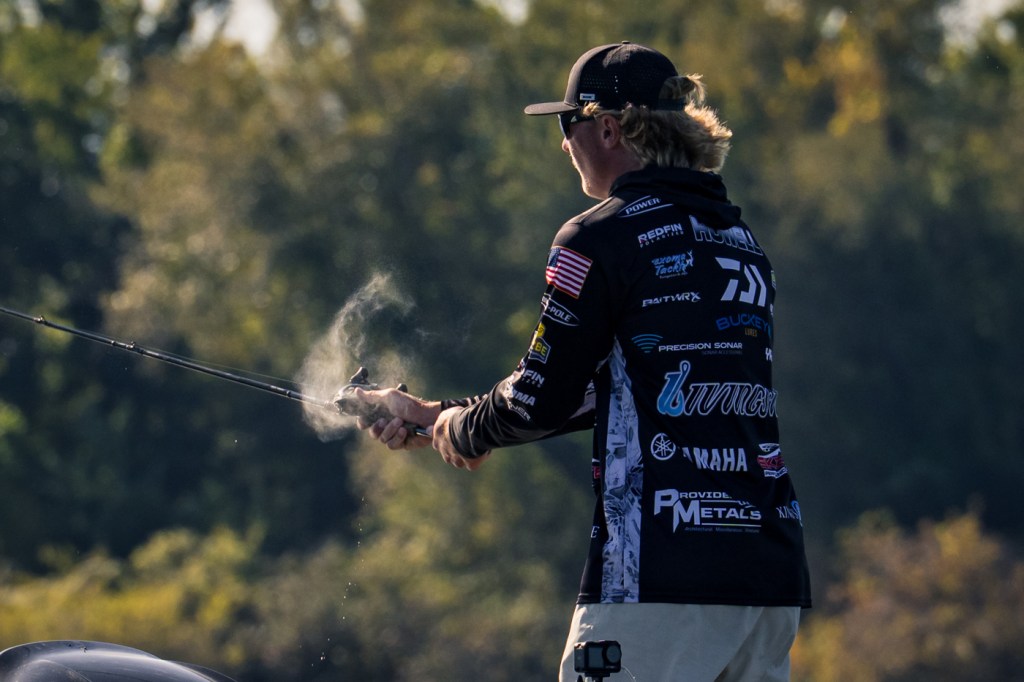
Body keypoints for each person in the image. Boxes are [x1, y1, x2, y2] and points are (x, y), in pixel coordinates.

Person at [353, 41, 812, 682]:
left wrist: (464, 431)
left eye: (568, 124)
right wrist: (437, 416)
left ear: (609, 128)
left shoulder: (596, 237)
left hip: (657, 577)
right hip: (768, 575)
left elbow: (539, 397)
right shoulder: (741, 242)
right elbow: (626, 390)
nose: (564, 143)